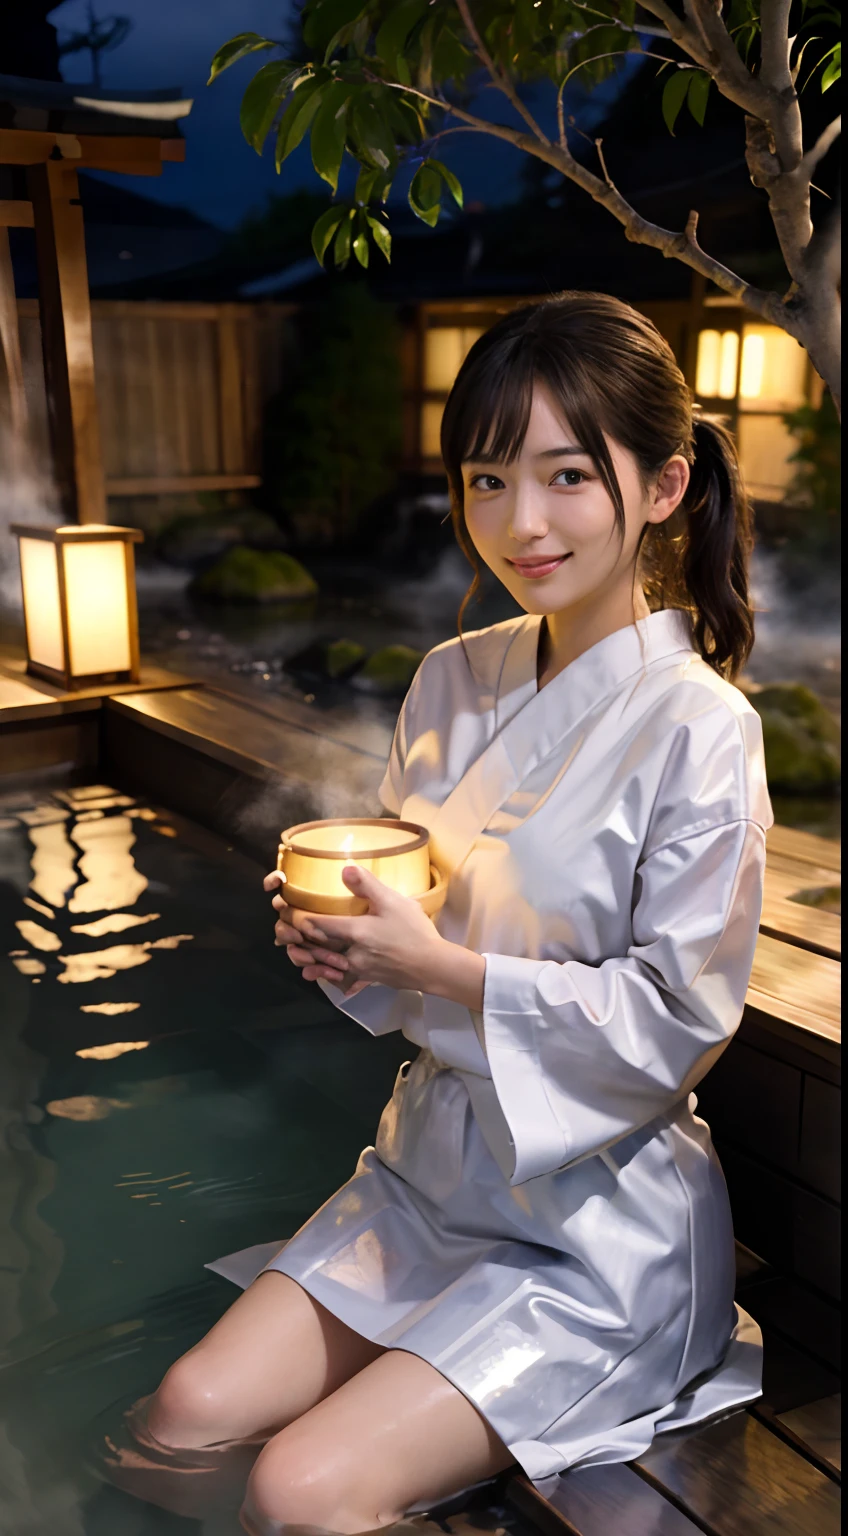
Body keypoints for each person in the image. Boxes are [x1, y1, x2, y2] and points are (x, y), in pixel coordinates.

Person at [145, 292, 773, 1535]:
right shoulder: (450, 676)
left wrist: (446, 969)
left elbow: (678, 1026)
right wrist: (348, 950)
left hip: (596, 1225)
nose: (520, 524)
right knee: (180, 1421)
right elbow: (405, 955)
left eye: (564, 477)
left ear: (661, 485)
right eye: (487, 480)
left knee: (297, 1488)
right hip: (426, 1173)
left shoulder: (702, 727)